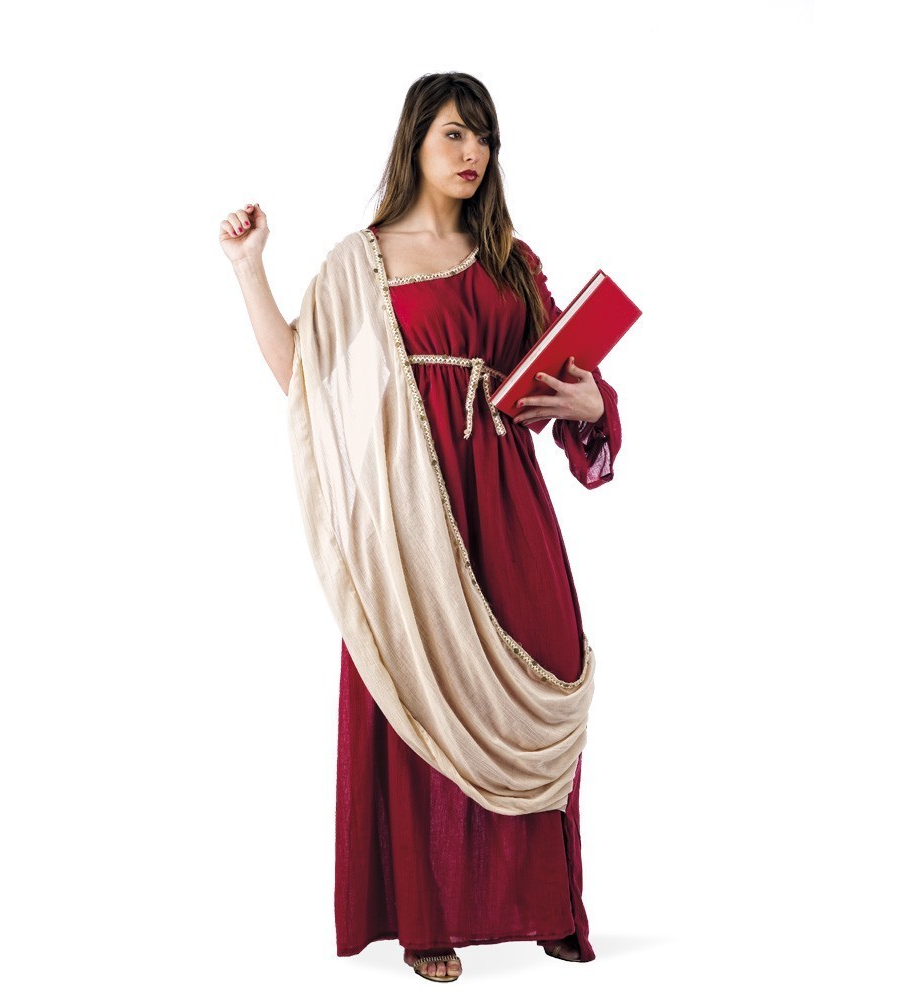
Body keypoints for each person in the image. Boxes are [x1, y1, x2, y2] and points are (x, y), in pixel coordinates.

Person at [219, 71, 622, 984]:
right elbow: (303, 377)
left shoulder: (512, 260)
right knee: (417, 694)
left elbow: (569, 370)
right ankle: (425, 917)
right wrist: (249, 269)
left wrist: (593, 402)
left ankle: (549, 906)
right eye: (454, 134)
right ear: (416, 142)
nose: (473, 152)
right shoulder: (358, 263)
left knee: (542, 669)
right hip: (407, 523)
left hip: (508, 507)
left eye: (484, 137)